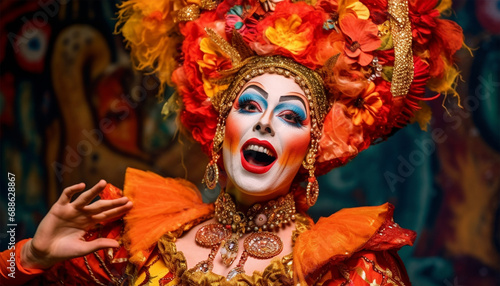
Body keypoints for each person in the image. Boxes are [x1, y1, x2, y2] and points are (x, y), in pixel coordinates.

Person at [1, 0, 464, 285]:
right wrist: (29, 257)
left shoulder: (346, 272)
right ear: (221, 128)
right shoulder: (135, 242)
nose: (264, 123)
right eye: (249, 106)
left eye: (289, 116)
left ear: (311, 146)